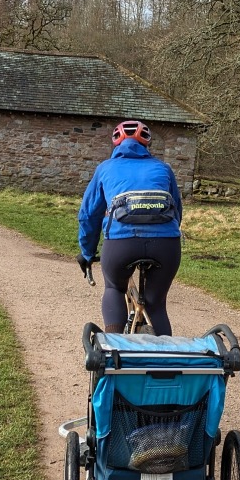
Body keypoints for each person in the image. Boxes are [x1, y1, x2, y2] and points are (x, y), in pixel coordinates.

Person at [77, 120, 184, 335]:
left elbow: (89, 215)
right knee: (156, 303)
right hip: (166, 244)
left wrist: (87, 253)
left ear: (116, 144)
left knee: (114, 288)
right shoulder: (163, 168)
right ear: (147, 145)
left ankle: (114, 354)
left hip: (121, 243)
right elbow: (177, 211)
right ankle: (166, 365)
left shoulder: (105, 168)